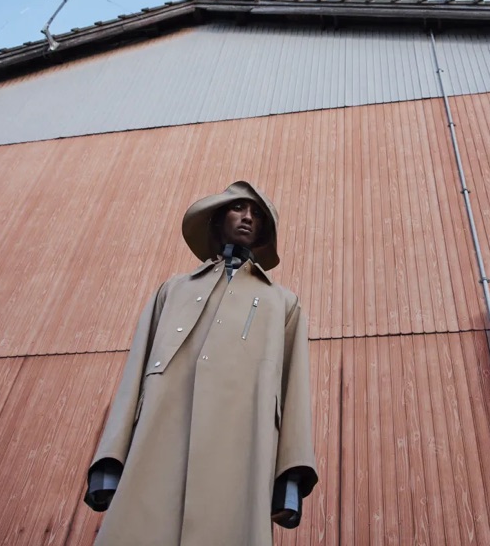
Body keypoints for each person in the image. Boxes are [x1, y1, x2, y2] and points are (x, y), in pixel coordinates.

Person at [84, 181, 318, 545]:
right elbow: (135, 375)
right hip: (160, 441)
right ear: (217, 218)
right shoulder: (173, 290)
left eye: (257, 214)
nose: (247, 218)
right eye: (238, 208)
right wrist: (110, 459)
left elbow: (294, 391)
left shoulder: (282, 303)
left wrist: (289, 478)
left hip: (242, 450)